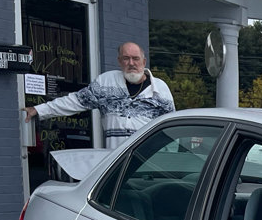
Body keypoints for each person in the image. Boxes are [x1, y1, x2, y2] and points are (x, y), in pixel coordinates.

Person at [24, 42, 175, 148]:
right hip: (116, 159)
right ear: (119, 61)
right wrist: (39, 110)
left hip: (148, 161)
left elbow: (171, 127)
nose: (131, 63)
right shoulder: (106, 83)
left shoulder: (160, 89)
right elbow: (75, 101)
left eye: (135, 58)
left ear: (144, 61)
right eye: (126, 58)